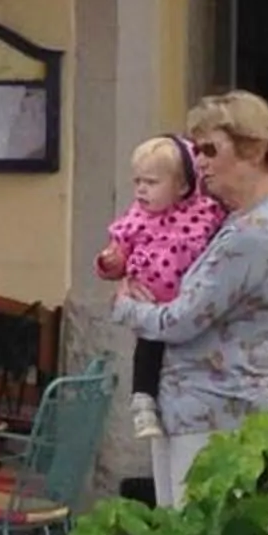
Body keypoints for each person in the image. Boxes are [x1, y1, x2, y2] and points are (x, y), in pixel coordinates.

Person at [111, 91, 268, 510]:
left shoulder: (253, 231)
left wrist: (127, 305)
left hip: (213, 414)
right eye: (196, 148)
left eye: (210, 149)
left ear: (253, 149)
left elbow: (182, 319)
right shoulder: (263, 212)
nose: (198, 161)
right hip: (200, 407)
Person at [92, 134, 225, 441]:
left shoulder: (204, 213)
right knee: (148, 348)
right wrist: (110, 262)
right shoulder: (136, 219)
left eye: (151, 182)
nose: (140, 189)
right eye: (137, 181)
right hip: (150, 302)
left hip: (188, 304)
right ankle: (143, 401)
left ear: (182, 186)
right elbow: (119, 254)